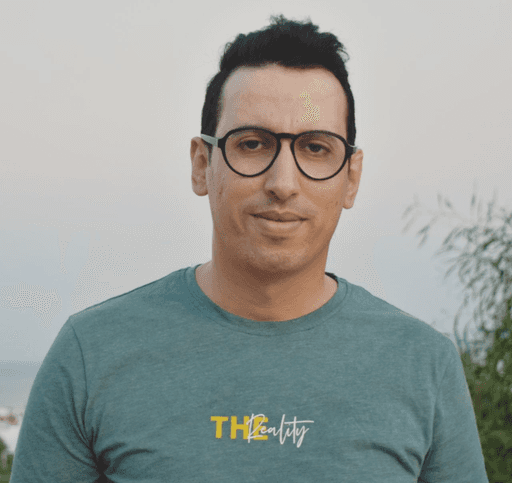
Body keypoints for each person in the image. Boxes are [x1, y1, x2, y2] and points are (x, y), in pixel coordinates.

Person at [10, 14, 488, 482]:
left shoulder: (424, 365)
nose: (283, 183)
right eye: (253, 144)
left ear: (351, 177)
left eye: (316, 148)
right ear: (202, 164)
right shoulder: (90, 354)